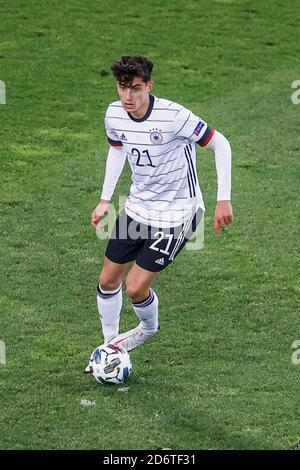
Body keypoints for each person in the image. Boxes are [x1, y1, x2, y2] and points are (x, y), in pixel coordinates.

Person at [89, 55, 233, 356]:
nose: (128, 96)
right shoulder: (113, 115)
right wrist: (105, 198)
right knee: (108, 279)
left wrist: (223, 199)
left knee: (135, 288)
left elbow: (220, 143)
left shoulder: (174, 116)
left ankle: (148, 328)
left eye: (136, 89)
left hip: (178, 214)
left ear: (149, 86)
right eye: (122, 87)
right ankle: (109, 347)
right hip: (137, 207)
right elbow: (117, 150)